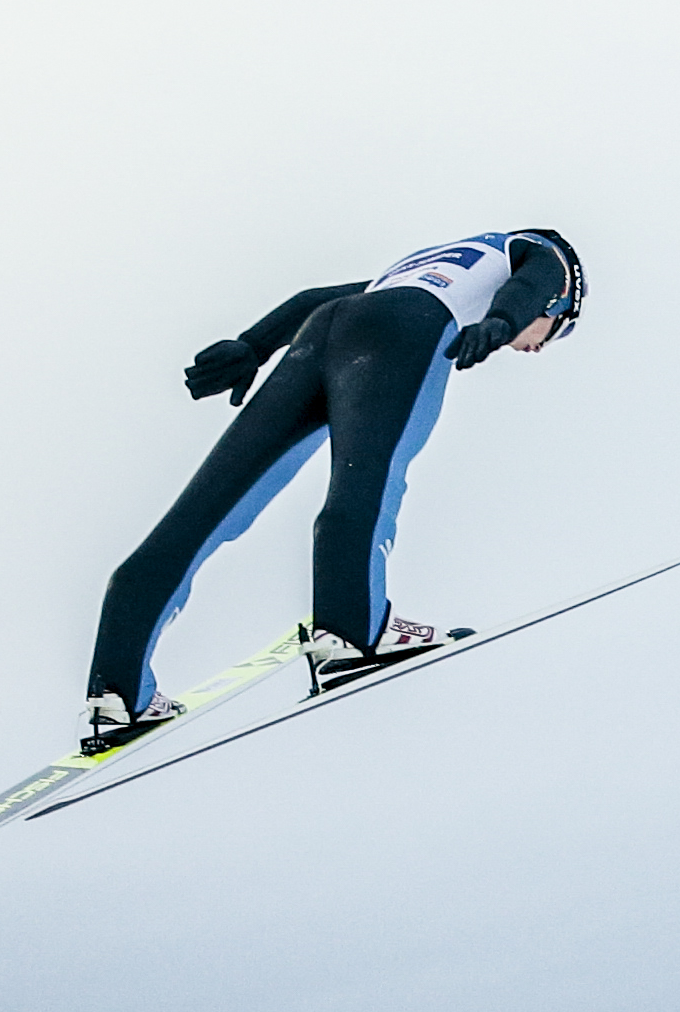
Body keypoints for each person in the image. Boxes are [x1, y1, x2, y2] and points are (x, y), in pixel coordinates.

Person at [81, 227, 586, 750]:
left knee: (206, 510)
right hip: (405, 329)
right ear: (561, 303)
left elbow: (313, 300)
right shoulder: (543, 255)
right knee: (367, 477)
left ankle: (118, 691)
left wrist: (252, 345)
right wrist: (503, 320)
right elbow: (540, 276)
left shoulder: (434, 265)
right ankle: (352, 630)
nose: (539, 347)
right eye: (558, 331)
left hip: (328, 327)